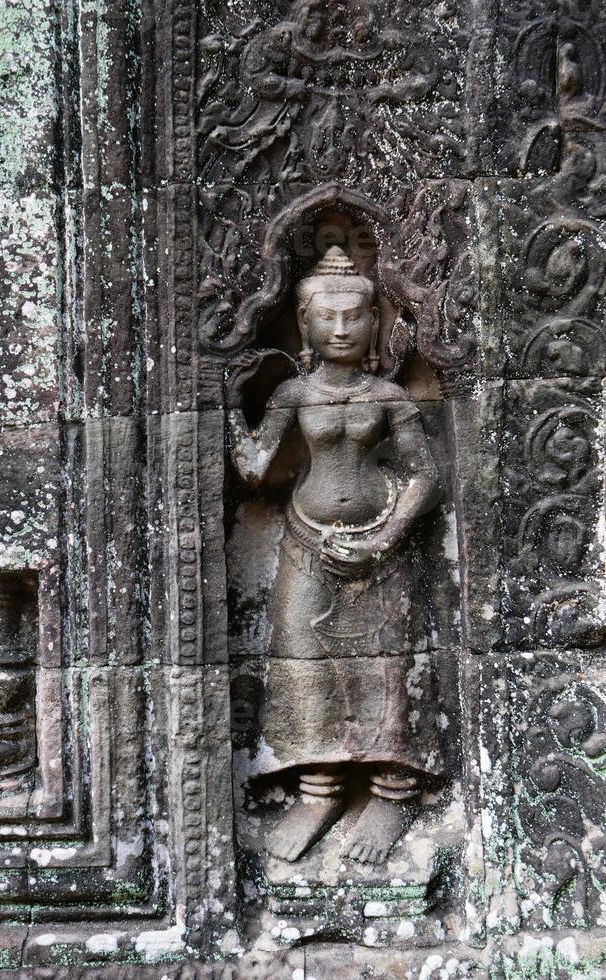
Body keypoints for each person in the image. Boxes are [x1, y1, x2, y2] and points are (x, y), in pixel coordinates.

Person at [227, 245, 442, 864]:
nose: (342, 329)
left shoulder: (389, 397)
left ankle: (391, 790)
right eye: (328, 318)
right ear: (304, 324)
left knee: (388, 666)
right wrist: (223, 408)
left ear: (376, 323)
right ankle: (316, 790)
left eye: (355, 317)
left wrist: (384, 537)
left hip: (381, 546)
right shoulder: (294, 393)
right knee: (301, 661)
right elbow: (256, 468)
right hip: (307, 540)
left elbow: (425, 478)